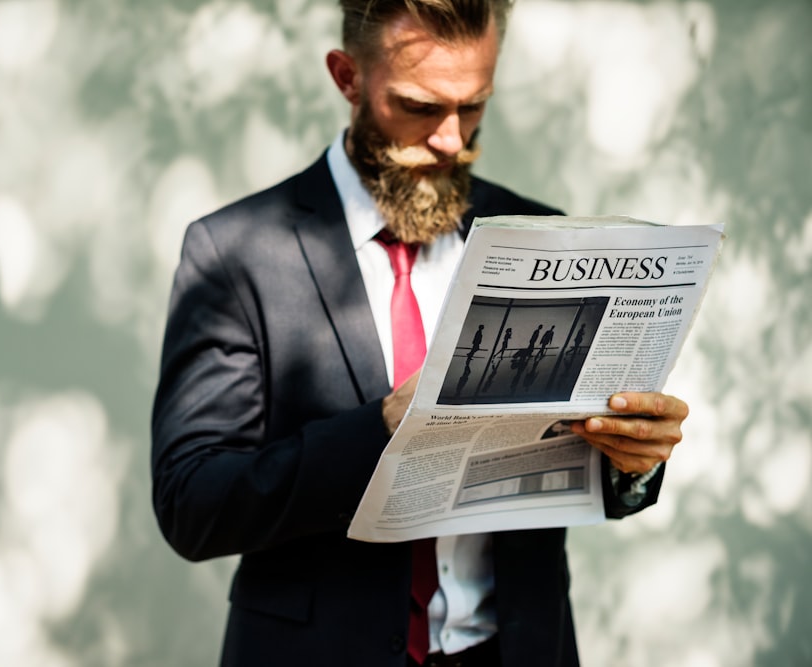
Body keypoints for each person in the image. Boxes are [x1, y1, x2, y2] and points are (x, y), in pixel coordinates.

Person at [151, 2, 689, 666]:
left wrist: (631, 460)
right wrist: (383, 427)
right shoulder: (235, 251)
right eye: (419, 106)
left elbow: (574, 472)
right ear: (347, 77)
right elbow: (193, 503)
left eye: (474, 107)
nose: (450, 139)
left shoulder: (540, 234)